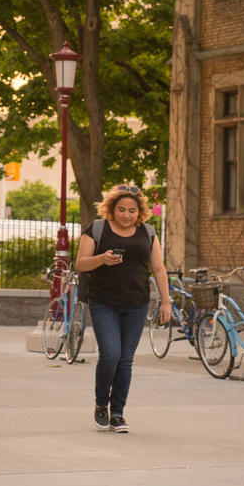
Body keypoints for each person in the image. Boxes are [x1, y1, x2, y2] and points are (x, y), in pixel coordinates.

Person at [74, 184, 171, 433]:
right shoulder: (96, 230)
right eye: (121, 210)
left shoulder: (147, 233)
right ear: (112, 209)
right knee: (110, 355)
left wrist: (166, 301)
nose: (127, 215)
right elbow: (81, 264)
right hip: (103, 302)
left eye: (132, 211)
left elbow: (159, 269)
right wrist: (101, 259)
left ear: (140, 212)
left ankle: (117, 413)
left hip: (136, 304)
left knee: (126, 361)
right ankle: (100, 405)